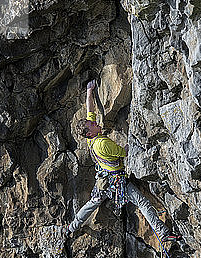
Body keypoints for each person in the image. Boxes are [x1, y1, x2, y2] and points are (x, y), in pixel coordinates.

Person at [65, 80, 181, 243]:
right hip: (118, 182)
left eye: (91, 121)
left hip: (103, 182)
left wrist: (90, 92)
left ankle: (72, 227)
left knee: (92, 203)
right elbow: (123, 153)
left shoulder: (91, 140)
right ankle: (163, 234)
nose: (94, 122)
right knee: (142, 203)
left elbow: (90, 111)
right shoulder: (103, 143)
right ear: (89, 133)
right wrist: (132, 139)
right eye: (92, 124)